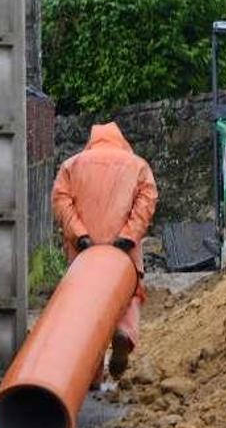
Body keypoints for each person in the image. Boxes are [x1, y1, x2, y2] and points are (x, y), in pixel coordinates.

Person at [52, 122, 158, 381]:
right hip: (123, 252)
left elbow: (60, 200)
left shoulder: (71, 165)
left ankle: (92, 373)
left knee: (87, 311)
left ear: (92, 141)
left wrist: (80, 235)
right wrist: (129, 235)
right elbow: (147, 200)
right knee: (128, 296)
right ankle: (123, 332)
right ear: (120, 140)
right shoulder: (138, 165)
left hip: (84, 254)